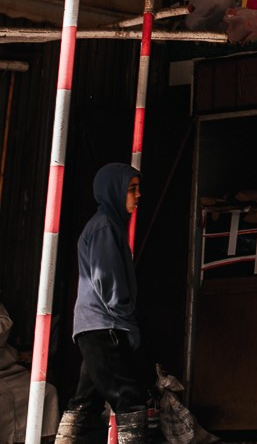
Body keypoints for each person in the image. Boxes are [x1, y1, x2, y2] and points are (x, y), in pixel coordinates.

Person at [55, 163, 149, 444]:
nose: (138, 195)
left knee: (85, 400)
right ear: (114, 191)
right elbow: (108, 282)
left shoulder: (109, 225)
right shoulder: (105, 227)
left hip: (95, 325)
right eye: (132, 189)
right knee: (129, 399)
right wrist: (125, 316)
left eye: (138, 188)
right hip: (104, 325)